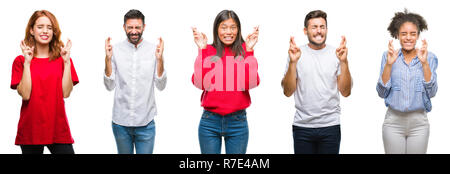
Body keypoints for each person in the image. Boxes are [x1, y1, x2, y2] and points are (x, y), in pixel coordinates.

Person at [281, 10, 352, 154]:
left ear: (326, 29)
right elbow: (287, 92)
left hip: (330, 126)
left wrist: (344, 62)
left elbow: (346, 92)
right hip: (302, 127)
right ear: (305, 30)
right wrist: (293, 63)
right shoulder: (295, 53)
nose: (319, 31)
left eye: (322, 27)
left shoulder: (337, 54)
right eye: (314, 27)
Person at [191, 9, 260, 154]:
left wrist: (249, 51)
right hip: (210, 122)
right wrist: (202, 50)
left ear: (238, 30)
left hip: (238, 123)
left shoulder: (244, 51)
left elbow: (251, 83)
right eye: (224, 27)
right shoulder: (208, 50)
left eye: (233, 27)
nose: (228, 32)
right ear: (216, 29)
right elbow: (199, 83)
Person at [10, 10, 79, 154]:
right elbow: (25, 95)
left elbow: (65, 93)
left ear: (54, 32)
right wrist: (27, 64)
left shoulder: (63, 59)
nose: (45, 31)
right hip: (31, 130)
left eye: (49, 27)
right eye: (40, 27)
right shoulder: (20, 61)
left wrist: (66, 63)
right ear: (31, 30)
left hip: (58, 128)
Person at [104, 9, 167, 154]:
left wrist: (160, 59)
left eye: (137, 27)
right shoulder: (115, 50)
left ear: (144, 27)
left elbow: (161, 85)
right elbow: (109, 85)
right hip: (120, 123)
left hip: (146, 123)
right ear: (124, 27)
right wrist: (107, 59)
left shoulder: (154, 50)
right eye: (130, 27)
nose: (134, 31)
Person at [376, 9, 438, 154]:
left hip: (419, 123)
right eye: (404, 34)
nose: (408, 38)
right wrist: (389, 64)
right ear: (397, 35)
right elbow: (382, 92)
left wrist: (424, 64)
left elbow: (432, 92)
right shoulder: (388, 56)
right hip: (393, 122)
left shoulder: (429, 57)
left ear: (418, 35)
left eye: (413, 34)